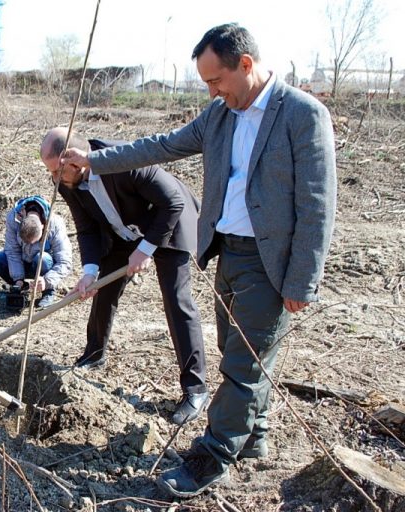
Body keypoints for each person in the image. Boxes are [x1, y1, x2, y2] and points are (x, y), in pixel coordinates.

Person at [61, 23, 337, 498]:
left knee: (240, 364)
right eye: (207, 82)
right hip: (225, 251)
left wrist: (302, 280)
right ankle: (254, 436)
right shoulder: (219, 115)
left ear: (246, 65)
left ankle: (210, 457)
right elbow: (162, 145)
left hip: (271, 261)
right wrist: (95, 160)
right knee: (246, 352)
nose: (212, 91)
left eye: (217, 80)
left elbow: (317, 203)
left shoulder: (302, 115)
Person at [41, 127, 209, 426]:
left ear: (76, 162)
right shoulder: (67, 181)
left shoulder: (125, 160)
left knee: (176, 300)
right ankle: (94, 354)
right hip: (123, 232)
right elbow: (87, 227)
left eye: (56, 171)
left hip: (168, 224)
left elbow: (173, 202)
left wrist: (146, 249)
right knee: (105, 290)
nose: (54, 179)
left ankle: (195, 389)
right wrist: (90, 270)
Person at [0, 195, 73, 309]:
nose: (30, 245)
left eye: (34, 242)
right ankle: (18, 287)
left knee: (42, 258)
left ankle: (48, 292)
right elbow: (12, 251)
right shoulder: (14, 218)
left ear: (43, 227)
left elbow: (65, 262)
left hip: (42, 266)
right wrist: (18, 280)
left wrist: (47, 281)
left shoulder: (55, 224)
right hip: (21, 261)